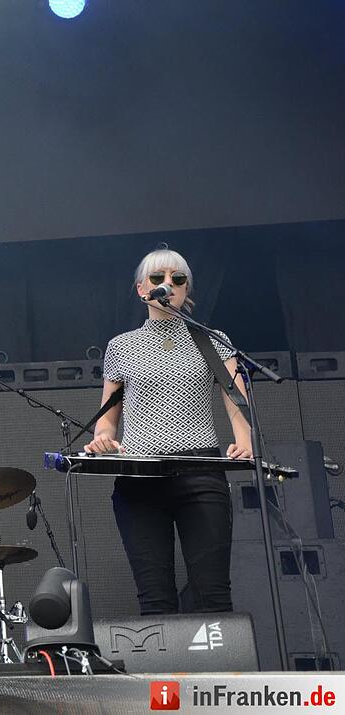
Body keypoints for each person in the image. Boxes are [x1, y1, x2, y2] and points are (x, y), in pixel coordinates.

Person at [85, 247, 252, 615]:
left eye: (177, 280)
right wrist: (103, 437)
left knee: (212, 591)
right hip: (139, 475)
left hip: (201, 471)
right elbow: (109, 414)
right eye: (158, 278)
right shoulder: (121, 346)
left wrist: (244, 440)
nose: (168, 285)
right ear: (141, 288)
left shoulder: (211, 338)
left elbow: (234, 397)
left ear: (186, 290)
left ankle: (218, 671)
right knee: (154, 595)